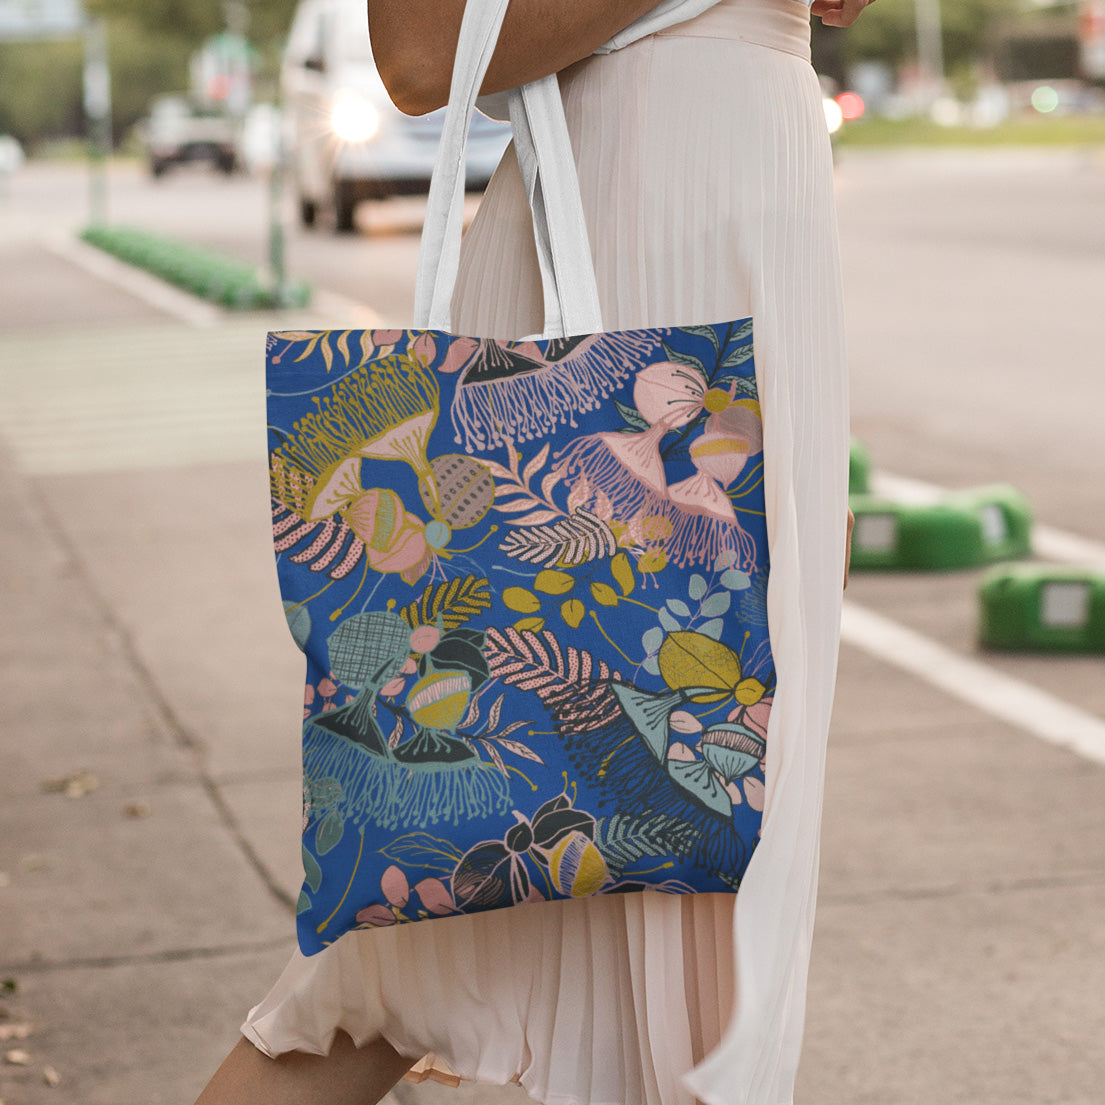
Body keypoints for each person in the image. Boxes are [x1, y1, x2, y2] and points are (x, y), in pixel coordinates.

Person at [194, 1, 872, 1103]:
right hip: (633, 232)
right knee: (666, 848)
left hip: (749, 222)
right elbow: (420, 55)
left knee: (691, 843)